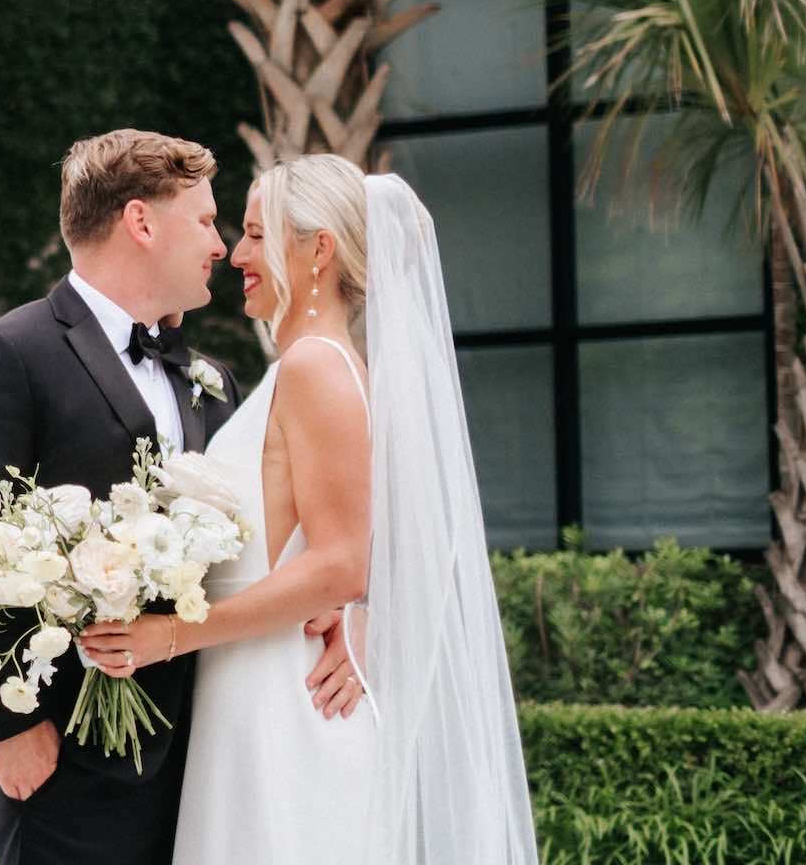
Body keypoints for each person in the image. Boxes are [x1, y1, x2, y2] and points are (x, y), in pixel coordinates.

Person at [0, 130, 365, 865]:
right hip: (71, 756)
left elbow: (273, 525)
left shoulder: (212, 379)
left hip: (213, 739)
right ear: (141, 222)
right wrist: (4, 727)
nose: (220, 247)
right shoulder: (4, 356)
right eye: (205, 222)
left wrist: (336, 607)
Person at [80, 154, 537, 864]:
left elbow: (338, 566)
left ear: (317, 249)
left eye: (257, 235)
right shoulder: (319, 368)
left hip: (283, 706)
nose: (237, 254)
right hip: (251, 693)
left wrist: (168, 635)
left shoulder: (315, 368)